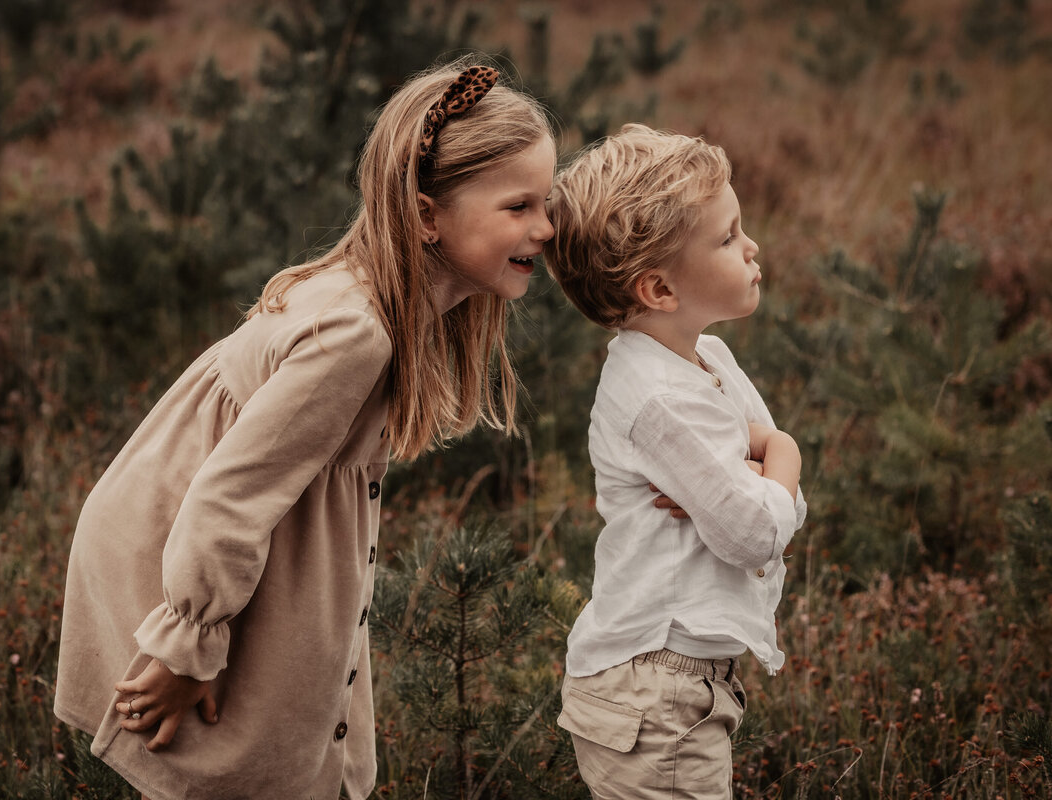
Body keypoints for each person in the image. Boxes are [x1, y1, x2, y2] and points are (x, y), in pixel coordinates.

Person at [53, 57, 556, 800]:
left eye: (549, 203)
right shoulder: (357, 335)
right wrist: (185, 647)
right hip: (180, 558)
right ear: (425, 216)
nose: (544, 228)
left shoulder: (383, 303)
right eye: (519, 207)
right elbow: (230, 496)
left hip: (220, 556)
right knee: (245, 759)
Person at [542, 124, 807, 799]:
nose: (752, 248)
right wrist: (783, 451)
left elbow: (776, 509)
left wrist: (759, 475)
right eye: (726, 237)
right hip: (653, 695)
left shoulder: (708, 360)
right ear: (659, 289)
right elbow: (755, 529)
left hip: (678, 686)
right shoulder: (657, 398)